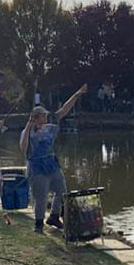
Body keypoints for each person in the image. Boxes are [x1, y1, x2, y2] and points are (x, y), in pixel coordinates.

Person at [21, 84, 89, 234]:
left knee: (62, 191)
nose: (46, 118)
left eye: (45, 116)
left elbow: (64, 109)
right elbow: (23, 148)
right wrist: (28, 126)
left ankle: (54, 216)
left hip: (52, 164)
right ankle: (38, 224)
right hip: (37, 167)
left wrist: (77, 94)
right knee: (41, 197)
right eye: (42, 116)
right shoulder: (28, 132)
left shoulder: (50, 126)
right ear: (35, 118)